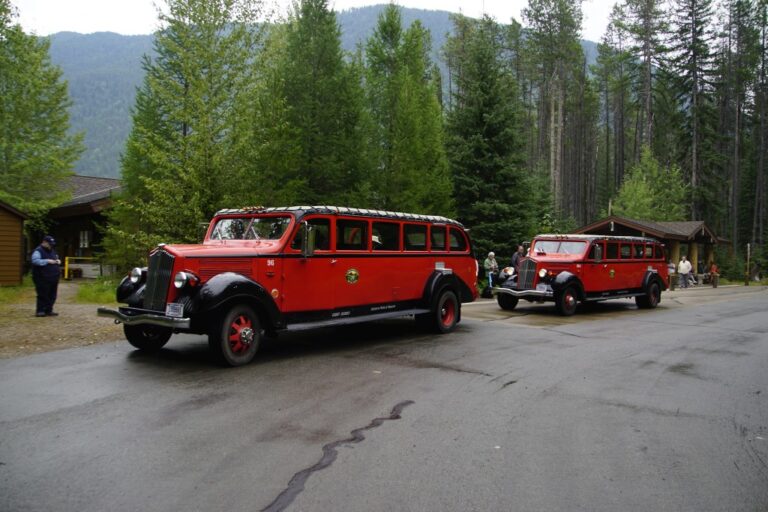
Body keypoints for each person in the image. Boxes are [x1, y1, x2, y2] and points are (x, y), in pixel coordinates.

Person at [31, 235, 61, 317]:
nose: (51, 245)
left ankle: (49, 310)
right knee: (43, 294)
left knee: (52, 295)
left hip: (53, 277)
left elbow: (55, 258)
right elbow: (35, 261)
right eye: (49, 244)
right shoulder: (38, 251)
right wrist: (47, 261)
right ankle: (40, 310)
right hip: (42, 277)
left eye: (52, 244)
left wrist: (57, 261)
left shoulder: (52, 250)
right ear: (44, 242)